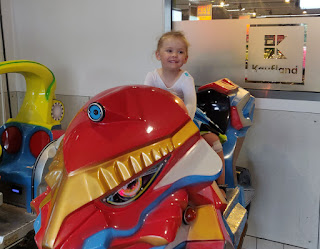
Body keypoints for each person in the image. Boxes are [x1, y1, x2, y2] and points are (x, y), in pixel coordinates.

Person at [144, 31, 225, 185]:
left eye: (180, 52)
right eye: (169, 50)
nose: (174, 55)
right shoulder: (152, 77)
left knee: (214, 141)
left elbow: (190, 104)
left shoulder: (186, 79)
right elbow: (146, 100)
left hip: (185, 119)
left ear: (185, 58)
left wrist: (183, 122)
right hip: (158, 122)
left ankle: (222, 185)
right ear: (158, 55)